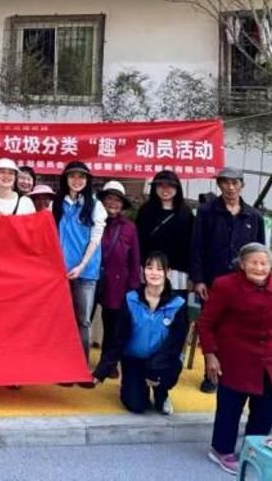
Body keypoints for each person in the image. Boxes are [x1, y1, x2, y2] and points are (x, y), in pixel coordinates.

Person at [198, 243, 272, 475]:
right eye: (253, 262)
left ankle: (253, 449)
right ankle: (221, 450)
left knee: (268, 406)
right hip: (236, 358)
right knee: (230, 406)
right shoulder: (226, 285)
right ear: (242, 264)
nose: (259, 267)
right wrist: (210, 355)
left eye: (264, 263)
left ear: (271, 266)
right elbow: (206, 323)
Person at [190, 166, 266, 392]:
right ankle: (210, 374)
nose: (230, 187)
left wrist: (260, 282)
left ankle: (233, 372)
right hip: (212, 282)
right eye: (225, 183)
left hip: (243, 284)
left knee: (239, 328)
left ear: (242, 185)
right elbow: (196, 247)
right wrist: (198, 279)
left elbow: (260, 252)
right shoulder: (206, 212)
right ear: (219, 185)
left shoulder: (253, 216)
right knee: (210, 326)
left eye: (235, 183)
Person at [92, 251, 188, 416]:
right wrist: (101, 372)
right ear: (143, 271)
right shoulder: (131, 299)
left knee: (170, 367)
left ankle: (161, 394)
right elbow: (118, 338)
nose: (154, 273)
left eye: (159, 269)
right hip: (134, 359)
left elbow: (176, 344)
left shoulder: (178, 304)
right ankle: (135, 386)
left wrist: (155, 366)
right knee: (137, 405)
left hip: (162, 361)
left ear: (168, 273)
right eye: (149, 268)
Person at [53, 160, 107, 367]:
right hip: (59, 273)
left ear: (88, 180)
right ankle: (62, 364)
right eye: (72, 176)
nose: (77, 180)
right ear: (65, 179)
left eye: (81, 176)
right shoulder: (56, 204)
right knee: (61, 319)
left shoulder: (95, 205)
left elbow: (95, 240)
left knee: (83, 320)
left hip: (85, 273)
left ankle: (80, 366)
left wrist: (81, 266)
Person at [97, 181, 140, 363]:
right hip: (91, 278)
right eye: (109, 199)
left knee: (112, 323)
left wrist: (133, 286)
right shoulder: (92, 220)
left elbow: (135, 259)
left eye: (117, 200)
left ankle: (108, 363)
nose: (113, 203)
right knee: (83, 319)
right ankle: (78, 359)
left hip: (117, 283)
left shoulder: (129, 227)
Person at [135, 170, 194, 293]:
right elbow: (138, 241)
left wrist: (192, 274)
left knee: (175, 302)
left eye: (170, 186)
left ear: (177, 188)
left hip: (177, 272)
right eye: (161, 185)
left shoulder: (186, 213)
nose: (165, 189)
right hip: (150, 269)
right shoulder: (145, 211)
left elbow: (191, 245)